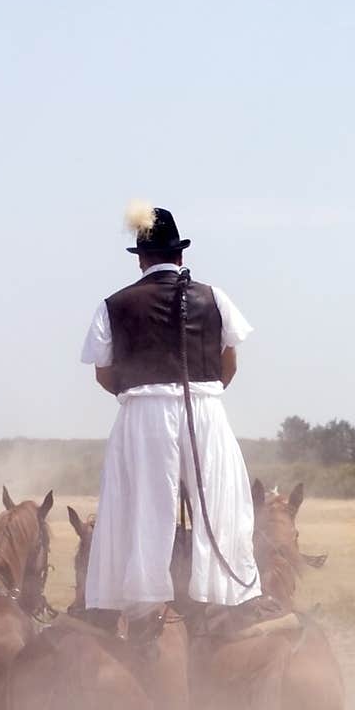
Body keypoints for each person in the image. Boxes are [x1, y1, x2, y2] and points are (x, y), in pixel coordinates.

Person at [80, 201, 260, 629]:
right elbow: (229, 362)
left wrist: (145, 393)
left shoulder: (112, 305)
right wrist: (199, 399)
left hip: (143, 415)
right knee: (221, 504)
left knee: (139, 507)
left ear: (140, 259)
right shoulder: (215, 297)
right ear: (180, 255)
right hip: (205, 412)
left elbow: (104, 375)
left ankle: (140, 604)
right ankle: (228, 600)